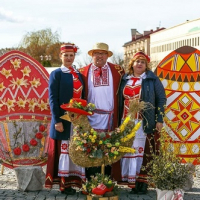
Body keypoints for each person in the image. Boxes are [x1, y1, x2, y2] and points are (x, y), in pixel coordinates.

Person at [118, 51, 166, 194]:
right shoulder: (124, 80)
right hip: (126, 120)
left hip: (144, 121)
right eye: (137, 61)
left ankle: (143, 182)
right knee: (128, 149)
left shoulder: (152, 79)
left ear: (146, 66)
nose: (139, 64)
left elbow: (161, 99)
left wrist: (159, 119)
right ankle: (130, 181)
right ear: (131, 64)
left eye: (143, 62)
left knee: (143, 152)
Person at [79, 42, 125, 179]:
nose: (99, 56)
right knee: (90, 146)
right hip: (91, 117)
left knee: (109, 147)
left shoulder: (118, 70)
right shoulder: (82, 72)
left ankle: (107, 179)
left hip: (110, 117)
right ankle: (91, 178)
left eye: (103, 53)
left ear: (107, 56)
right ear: (92, 55)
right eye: (96, 53)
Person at [45, 43, 85, 195]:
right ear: (60, 57)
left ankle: (77, 181)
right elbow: (53, 99)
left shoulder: (79, 74)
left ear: (74, 57)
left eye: (71, 55)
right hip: (63, 119)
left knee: (77, 149)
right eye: (66, 55)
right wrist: (57, 120)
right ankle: (64, 184)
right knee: (65, 150)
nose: (69, 58)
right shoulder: (57, 74)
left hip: (78, 120)